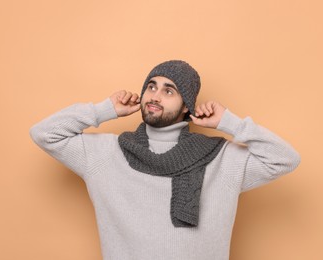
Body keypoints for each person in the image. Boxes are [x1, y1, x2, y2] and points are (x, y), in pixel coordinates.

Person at [30, 60, 300, 260]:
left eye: (169, 90)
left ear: (187, 106)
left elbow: (285, 159)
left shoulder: (221, 159)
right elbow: (44, 134)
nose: (155, 96)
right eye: (151, 87)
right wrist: (103, 110)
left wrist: (230, 122)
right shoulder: (104, 155)